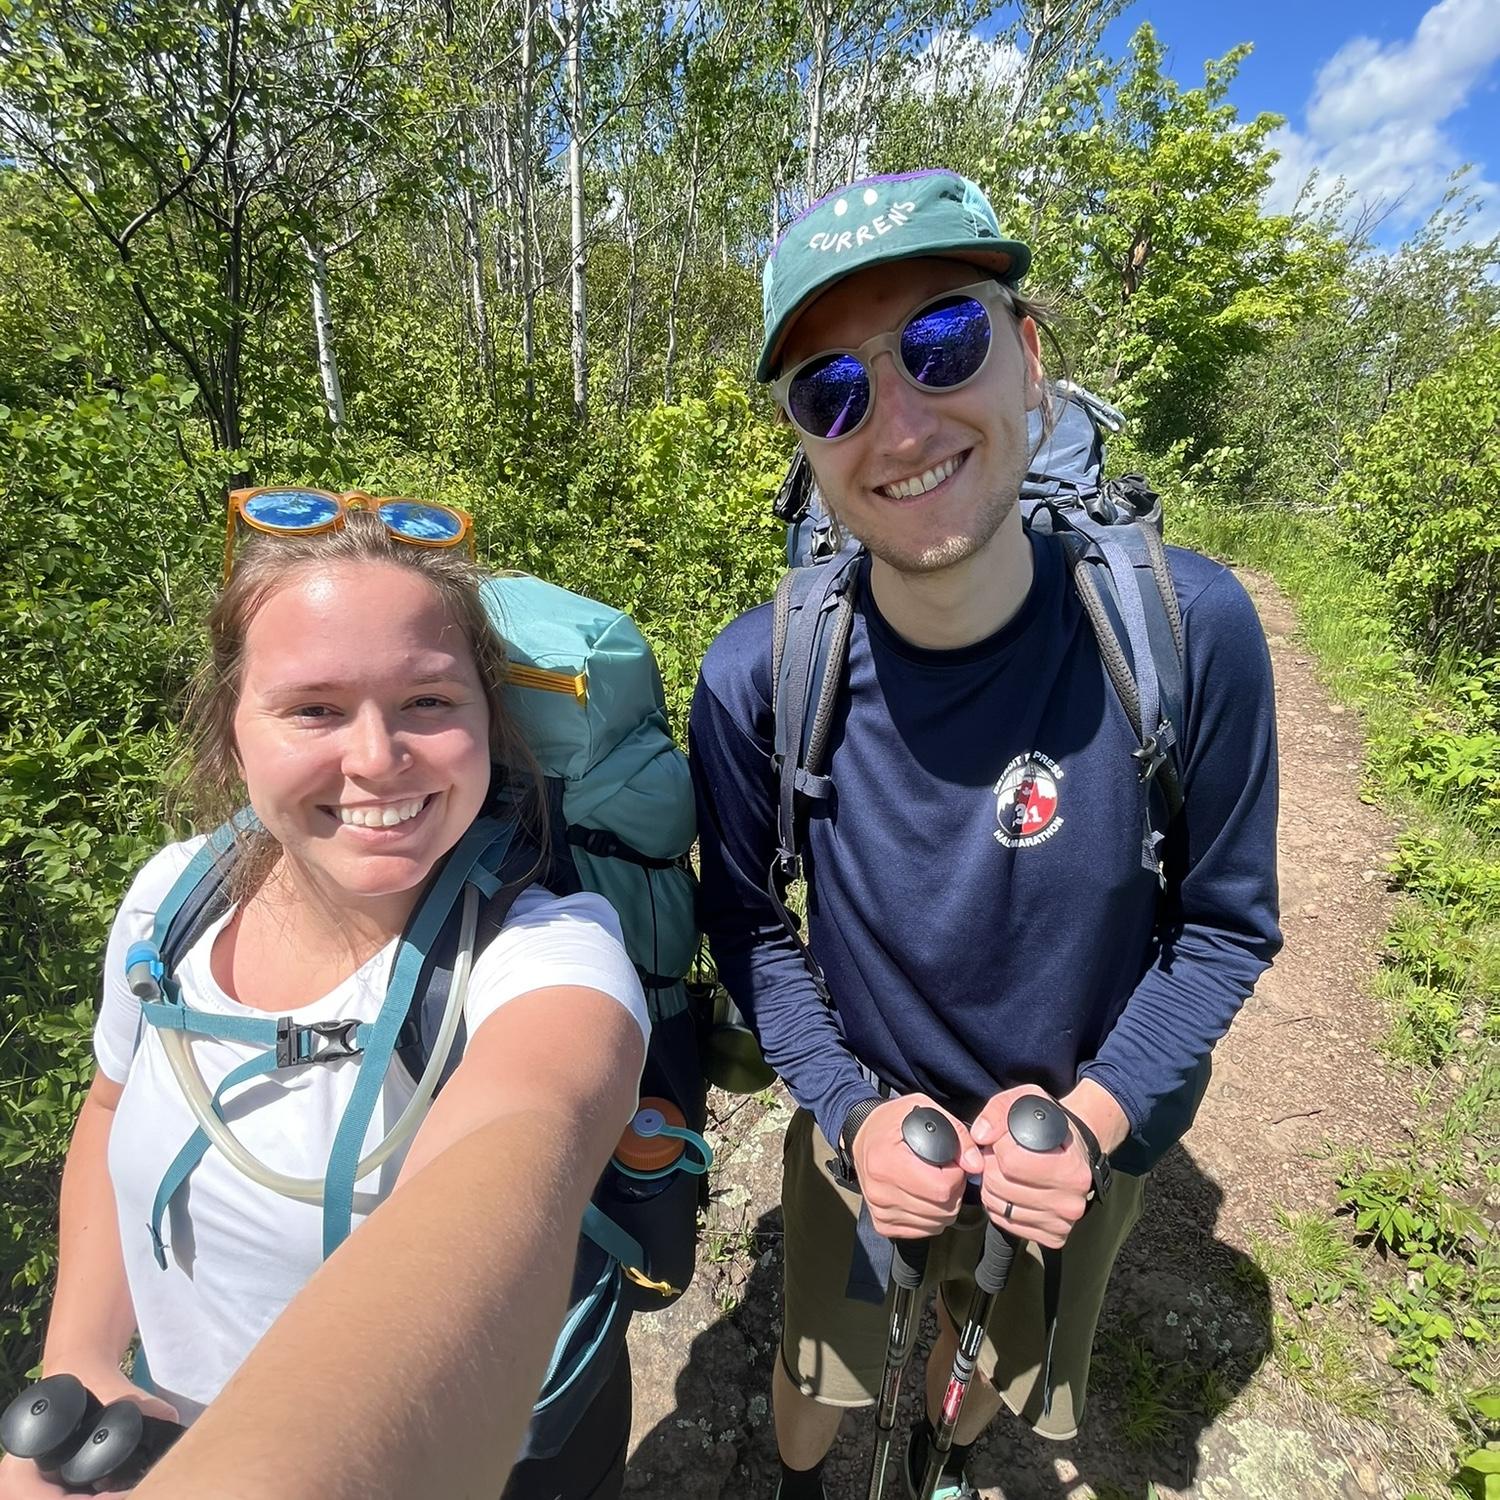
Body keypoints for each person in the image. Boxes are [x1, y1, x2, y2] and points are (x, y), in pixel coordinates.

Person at [689, 168, 1281, 1500]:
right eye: (830, 391)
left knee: (981, 1352)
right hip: (865, 1132)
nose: (894, 423)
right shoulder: (755, 677)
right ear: (807, 439)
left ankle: (949, 1464)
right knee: (816, 1361)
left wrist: (1092, 1117)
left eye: (941, 342)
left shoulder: (1190, 634)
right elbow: (744, 919)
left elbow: (1226, 925)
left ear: (1026, 359)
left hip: (1064, 1138)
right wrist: (845, 1116)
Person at [0, 499, 649, 1500]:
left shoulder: (550, 952)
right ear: (233, 728)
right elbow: (110, 1105)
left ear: (488, 716)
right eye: (314, 709)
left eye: (430, 702)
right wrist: (80, 1359)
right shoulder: (171, 904)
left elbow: (525, 1136)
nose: (377, 757)